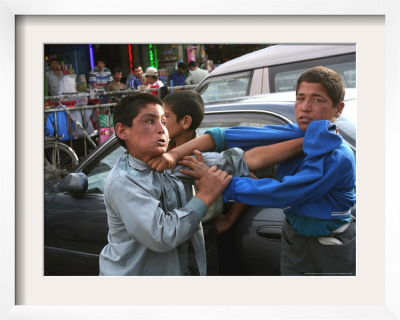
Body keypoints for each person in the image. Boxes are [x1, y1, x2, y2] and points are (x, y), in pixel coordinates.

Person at [148, 66, 356, 276]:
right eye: (300, 98)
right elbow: (226, 137)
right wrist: (173, 155)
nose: (305, 107)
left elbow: (285, 192)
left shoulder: (337, 156)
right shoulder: (298, 133)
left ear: (338, 109)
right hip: (294, 238)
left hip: (327, 245)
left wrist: (219, 182)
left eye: (317, 99)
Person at [98, 92, 238, 276]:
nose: (161, 129)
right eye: (149, 121)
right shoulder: (124, 181)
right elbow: (162, 234)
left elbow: (245, 161)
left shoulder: (167, 164)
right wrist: (206, 195)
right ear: (123, 131)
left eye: (164, 122)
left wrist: (289, 139)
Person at [163, 90, 248, 275]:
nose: (161, 124)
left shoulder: (204, 156)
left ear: (185, 122)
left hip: (202, 232)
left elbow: (250, 179)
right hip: (174, 231)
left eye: (166, 117)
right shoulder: (167, 151)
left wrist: (230, 219)